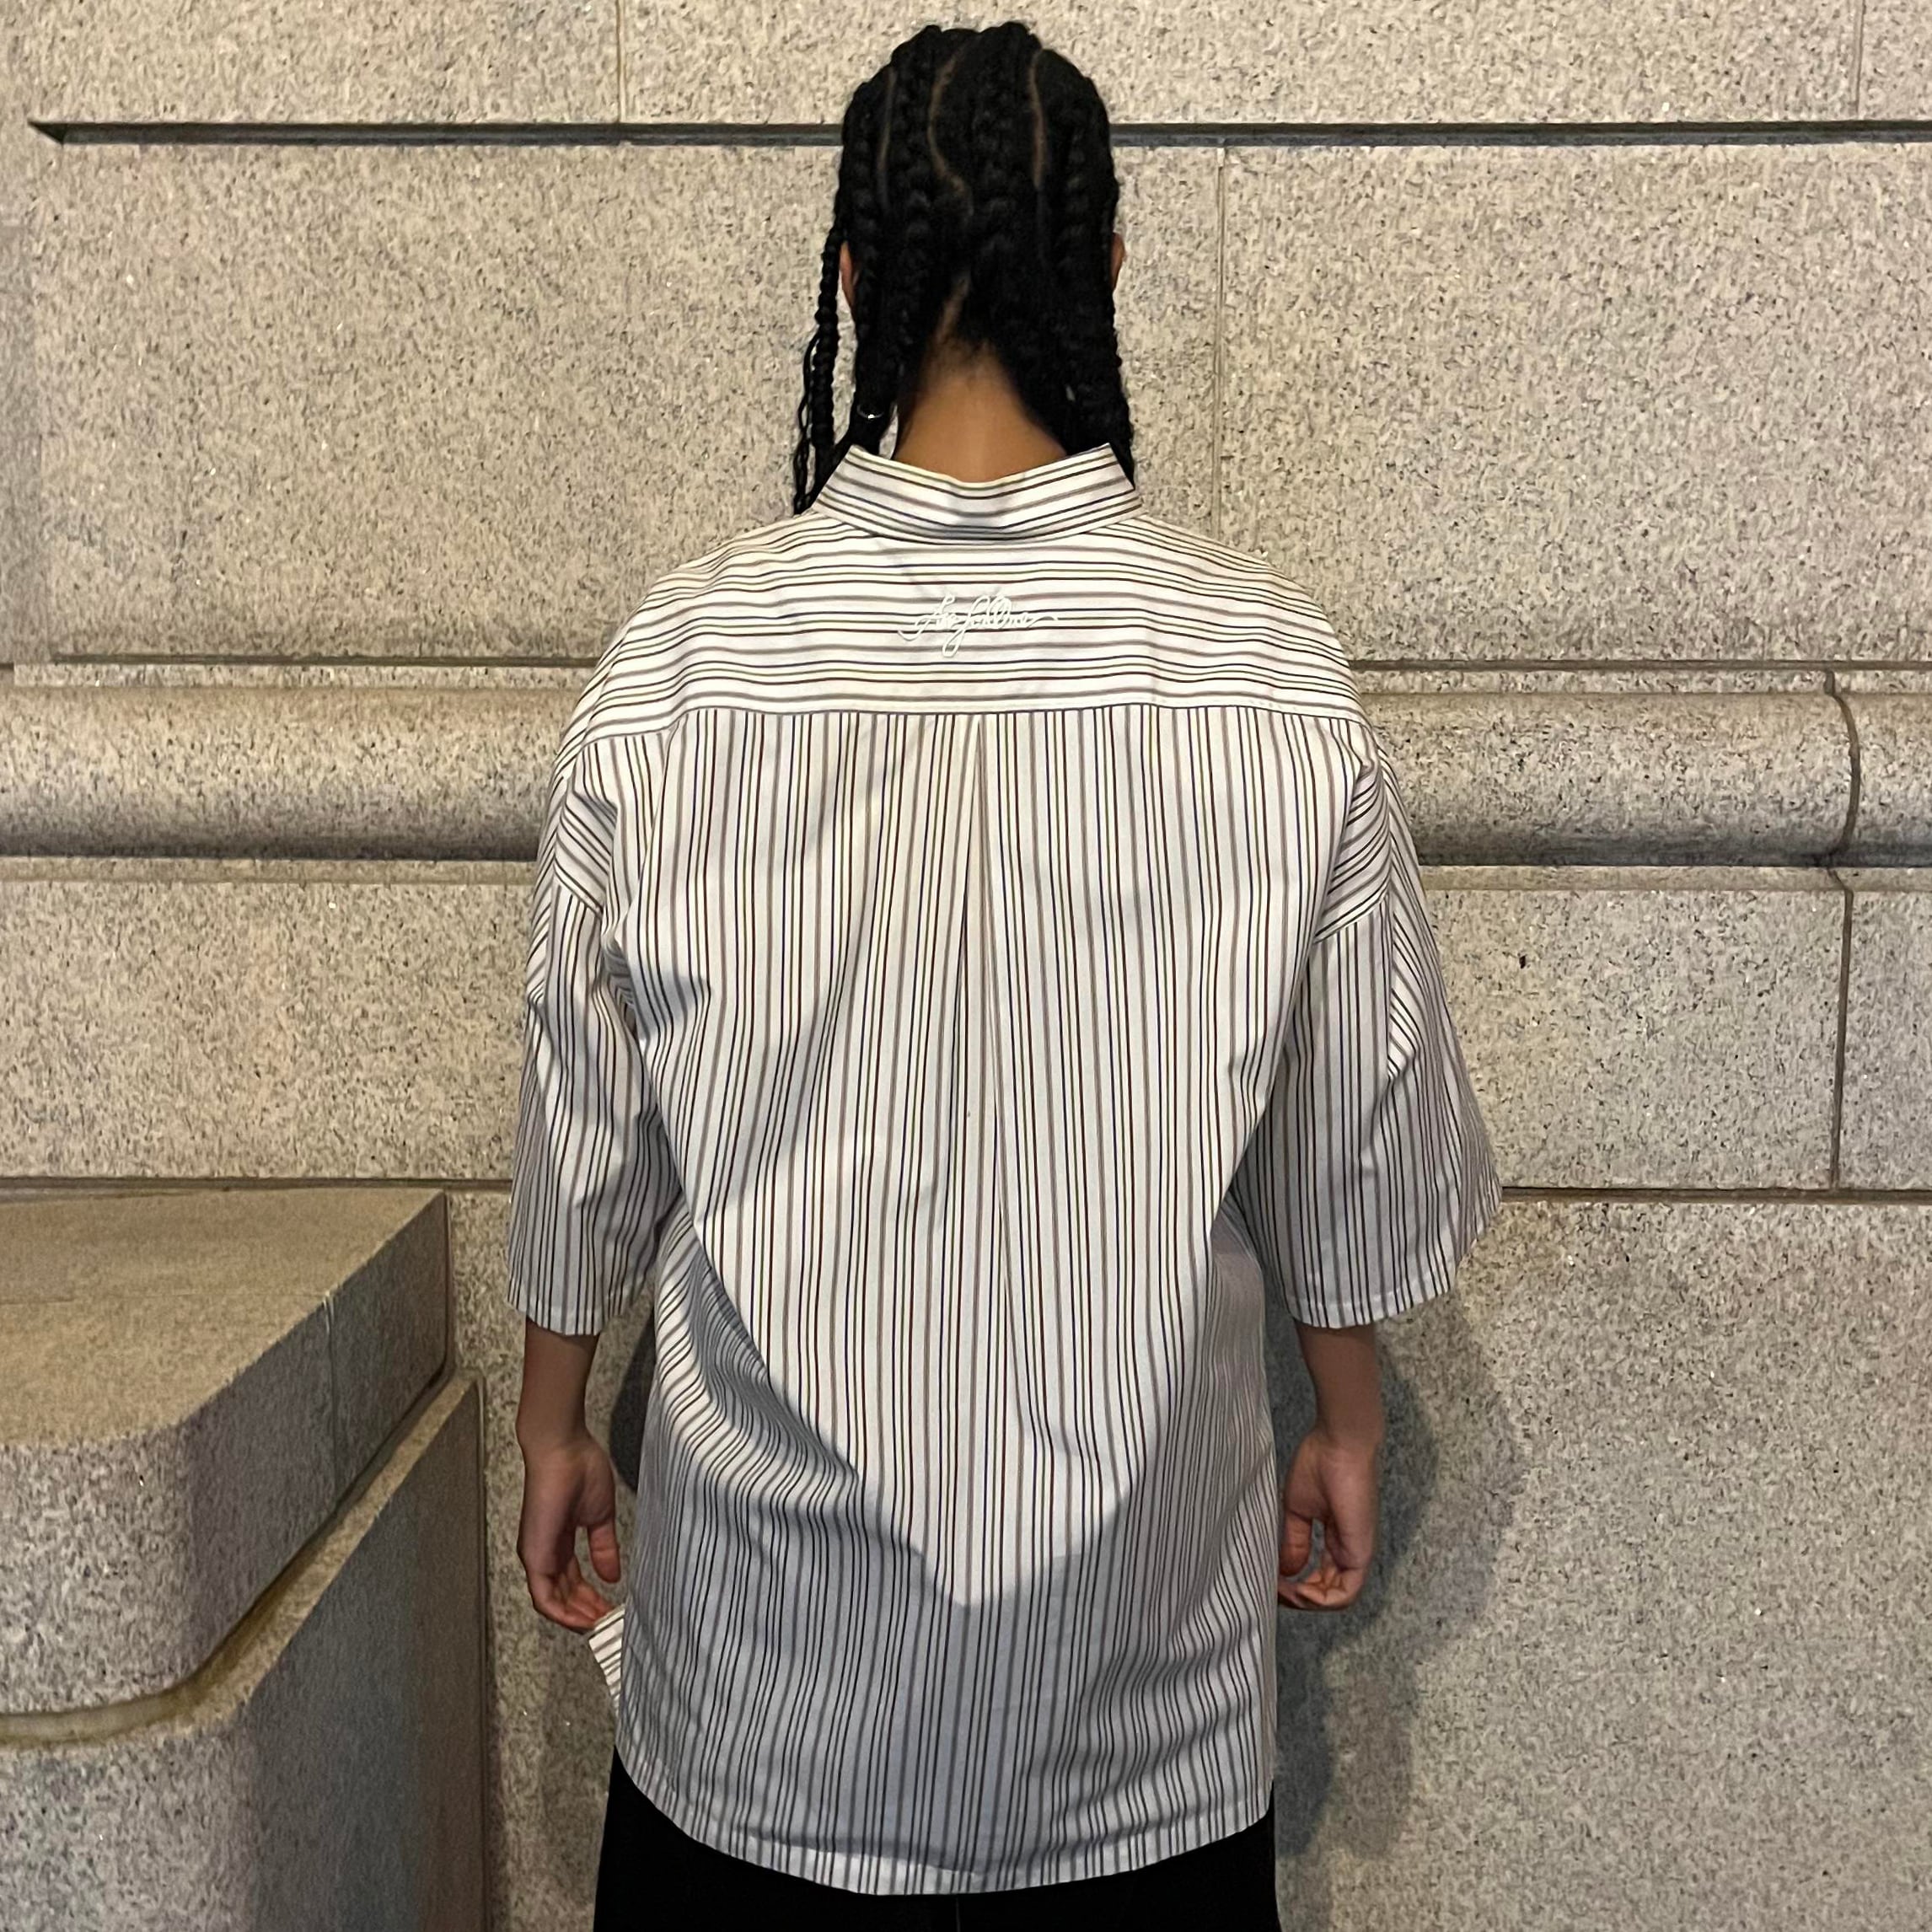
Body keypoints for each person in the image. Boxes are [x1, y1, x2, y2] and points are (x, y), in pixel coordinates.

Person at [505, 19, 1500, 1929]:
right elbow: (1353, 1148)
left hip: (766, 1692)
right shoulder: (1266, 675)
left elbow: (582, 1121)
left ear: (852, 277)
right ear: (1105, 268)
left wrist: (556, 1425)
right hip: (1132, 1698)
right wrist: (1348, 1421)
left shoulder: (687, 664)